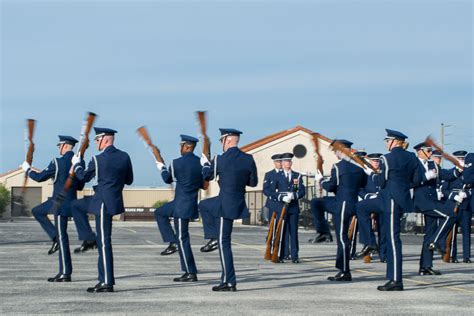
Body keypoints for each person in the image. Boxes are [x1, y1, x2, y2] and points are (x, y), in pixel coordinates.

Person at [72, 127, 133, 293]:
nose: (96, 143)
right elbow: (129, 180)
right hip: (113, 201)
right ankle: (103, 276)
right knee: (77, 207)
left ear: (105, 139)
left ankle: (106, 281)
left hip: (102, 202)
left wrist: (77, 165)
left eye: (97, 140)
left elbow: (83, 177)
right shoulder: (124, 156)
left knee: (104, 242)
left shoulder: (98, 159)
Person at [201, 128, 258, 291]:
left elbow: (207, 176)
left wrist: (205, 163)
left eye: (222, 141)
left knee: (223, 242)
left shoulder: (220, 159)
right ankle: (213, 240)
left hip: (224, 204)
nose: (221, 144)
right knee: (204, 206)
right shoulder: (248, 158)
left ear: (228, 140)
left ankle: (229, 281)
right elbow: (253, 182)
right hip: (238, 202)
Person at [312, 140, 367, 281]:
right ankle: (324, 234)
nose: (335, 153)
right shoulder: (359, 168)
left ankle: (344, 271)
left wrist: (321, 180)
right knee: (316, 202)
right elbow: (362, 185)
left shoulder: (338, 166)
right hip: (351, 203)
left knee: (342, 238)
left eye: (336, 150)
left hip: (341, 205)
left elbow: (330, 187)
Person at [375, 129, 420, 291]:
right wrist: (403, 186)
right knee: (393, 237)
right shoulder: (412, 157)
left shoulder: (386, 158)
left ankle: (396, 279)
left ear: (394, 141)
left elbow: (381, 181)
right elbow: (418, 179)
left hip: (391, 199)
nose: (387, 143)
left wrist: (376, 176)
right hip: (402, 199)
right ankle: (393, 277)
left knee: (393, 240)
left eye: (388, 140)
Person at [154, 135, 204, 282]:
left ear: (186, 146)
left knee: (183, 238)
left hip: (182, 206)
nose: (179, 148)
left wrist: (161, 166)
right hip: (184, 202)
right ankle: (172, 241)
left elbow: (167, 179)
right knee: (160, 212)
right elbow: (203, 184)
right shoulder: (200, 164)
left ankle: (190, 272)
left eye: (181, 146)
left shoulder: (176, 163)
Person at [411, 142, 455, 275]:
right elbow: (411, 181)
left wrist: (458, 171)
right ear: (420, 151)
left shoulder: (433, 164)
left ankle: (425, 267)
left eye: (431, 151)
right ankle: (436, 241)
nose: (430, 154)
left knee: (429, 234)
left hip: (432, 201)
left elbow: (445, 175)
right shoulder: (414, 164)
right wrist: (425, 177)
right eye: (428, 151)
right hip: (422, 202)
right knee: (450, 215)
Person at [267, 153, 305, 263]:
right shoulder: (276, 176)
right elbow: (271, 191)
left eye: (289, 161)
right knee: (282, 231)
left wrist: (294, 195)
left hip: (293, 207)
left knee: (293, 232)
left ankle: (295, 256)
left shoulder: (296, 176)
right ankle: (281, 255)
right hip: (281, 207)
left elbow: (301, 191)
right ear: (282, 163)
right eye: (286, 161)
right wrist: (281, 197)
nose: (288, 163)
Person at [354, 153, 386, 262]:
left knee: (383, 228)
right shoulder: (365, 174)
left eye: (378, 161)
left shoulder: (383, 172)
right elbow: (359, 188)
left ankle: (384, 254)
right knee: (366, 226)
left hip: (382, 201)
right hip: (369, 201)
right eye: (374, 161)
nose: (376, 163)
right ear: (370, 162)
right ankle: (368, 247)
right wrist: (368, 196)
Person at [442, 150, 471, 263]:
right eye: (459, 159)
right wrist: (454, 196)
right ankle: (452, 256)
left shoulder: (469, 174)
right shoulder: (450, 173)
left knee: (466, 231)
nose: (461, 161)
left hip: (466, 205)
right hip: (453, 205)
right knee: (452, 232)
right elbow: (444, 189)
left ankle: (466, 256)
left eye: (463, 159)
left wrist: (467, 194)